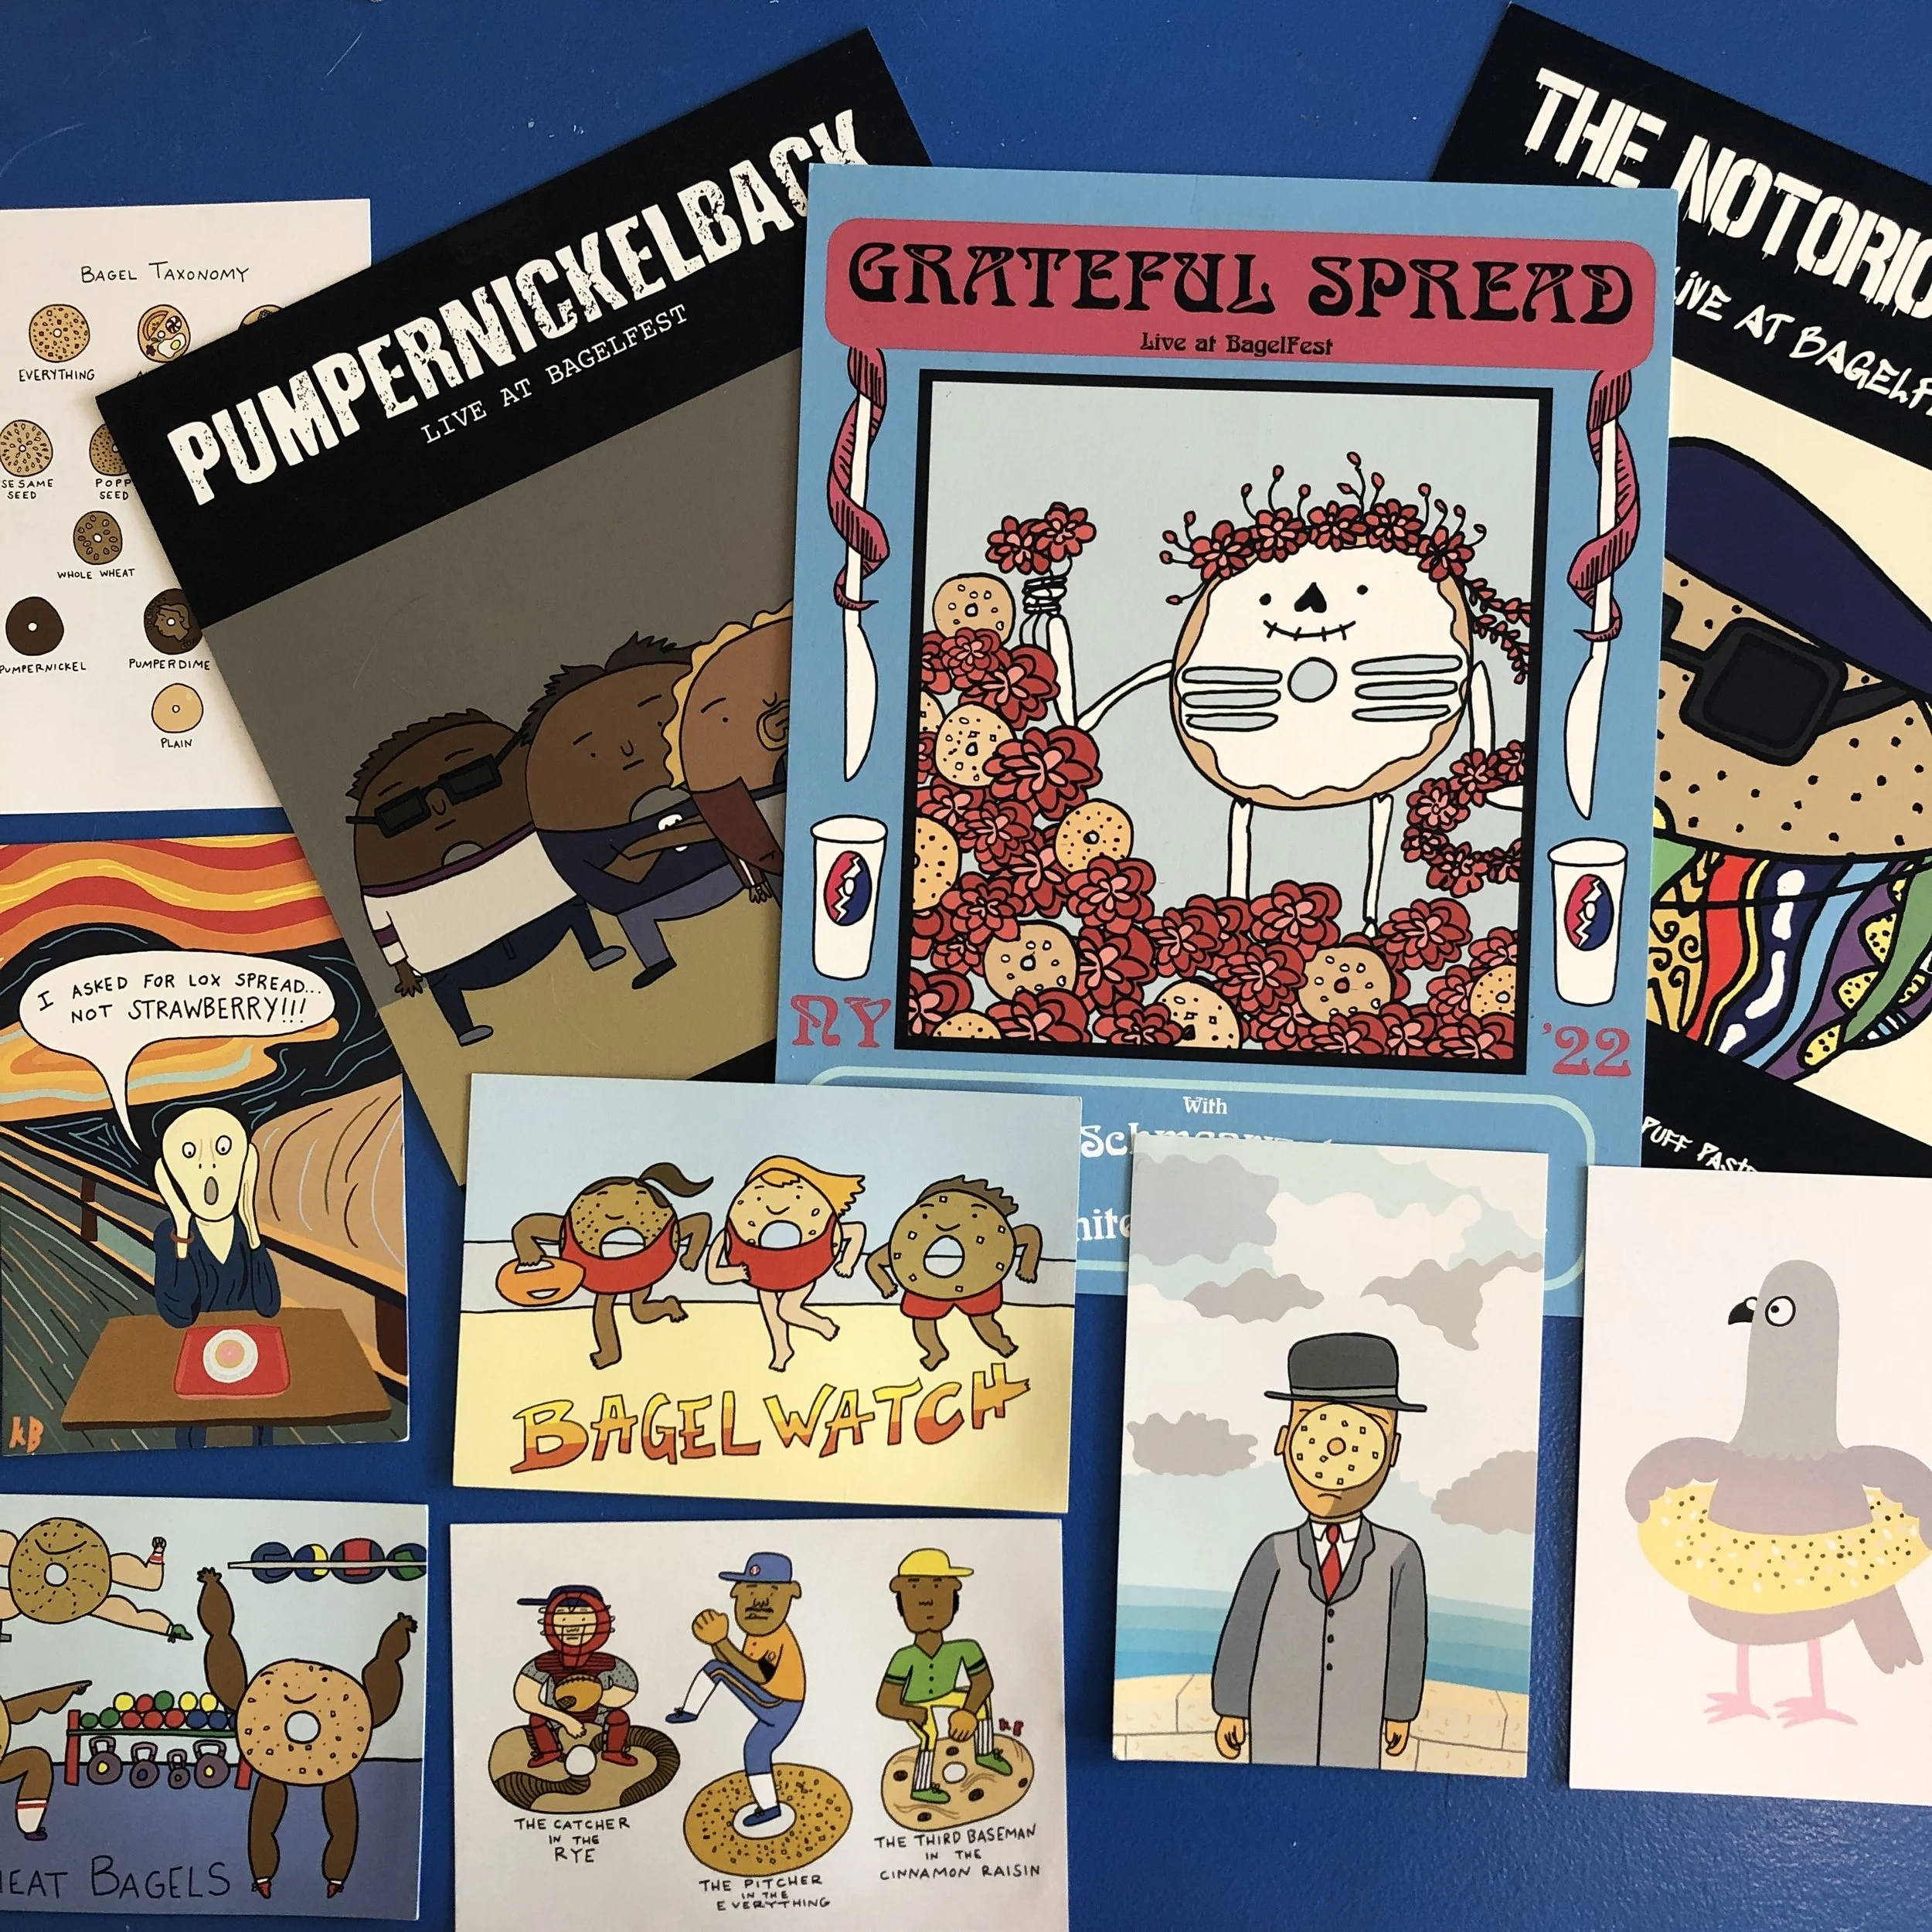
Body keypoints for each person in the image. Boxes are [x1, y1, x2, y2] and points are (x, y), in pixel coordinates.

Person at [1210, 1332, 1428, 1770]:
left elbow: (1408, 1638)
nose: (1336, 1451)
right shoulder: (1273, 1553)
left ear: (1392, 1450)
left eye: (1362, 1436)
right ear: (1285, 1441)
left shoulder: (1400, 1555)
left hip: (1357, 1717)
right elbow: (1243, 1630)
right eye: (1316, 1430)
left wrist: (1400, 1711)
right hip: (1277, 1714)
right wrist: (1231, 1706)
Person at [347, 709, 624, 1046]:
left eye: (471, 779)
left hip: (547, 918)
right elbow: (382, 924)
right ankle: (464, 1030)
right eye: (402, 813)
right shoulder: (385, 880)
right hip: (455, 961)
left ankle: (594, 950)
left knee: (572, 908)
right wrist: (401, 968)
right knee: (445, 983)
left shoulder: (535, 819)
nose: (440, 807)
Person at [523, 635, 771, 993]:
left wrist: (653, 843)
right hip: (650, 896)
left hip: (728, 871)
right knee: (633, 912)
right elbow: (620, 874)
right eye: (593, 752)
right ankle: (656, 959)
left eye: (655, 725)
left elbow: (735, 821)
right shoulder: (574, 827)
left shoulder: (718, 777)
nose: (628, 749)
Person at [665, 1552, 805, 1828]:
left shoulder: (774, 1636)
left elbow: (758, 1673)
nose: (759, 1602)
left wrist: (721, 1641)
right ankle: (770, 1808)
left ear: (790, 1595)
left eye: (771, 1593)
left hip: (778, 1704)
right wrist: (715, 1642)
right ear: (737, 1593)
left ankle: (690, 1712)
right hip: (774, 1701)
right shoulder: (757, 1633)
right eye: (750, 1591)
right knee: (755, 1749)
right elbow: (737, 1665)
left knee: (715, 1669)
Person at [876, 1546, 1009, 1806]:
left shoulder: (965, 1648)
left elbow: (983, 1683)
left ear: (953, 1597)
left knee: (981, 1701)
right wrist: (914, 1713)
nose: (927, 1602)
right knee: (930, 1735)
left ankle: (985, 1751)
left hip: (947, 1694)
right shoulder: (904, 1658)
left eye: (938, 1588)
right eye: (915, 1591)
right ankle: (921, 1787)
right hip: (915, 1702)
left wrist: (968, 1712)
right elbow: (886, 1702)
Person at [706, 1160, 864, 1372]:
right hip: (761, 1273)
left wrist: (848, 1262)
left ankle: (823, 1325)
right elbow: (713, 1274)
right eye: (760, 1195)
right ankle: (782, 1349)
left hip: (801, 1271)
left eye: (796, 1195)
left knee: (787, 1309)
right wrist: (735, 1273)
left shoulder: (826, 1223)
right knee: (770, 1306)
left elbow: (856, 1231)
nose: (775, 1205)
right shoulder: (732, 1232)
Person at [151, 1105, 280, 1326]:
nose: (209, 1163)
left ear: (246, 1163)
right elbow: (179, 1316)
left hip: (247, 1339)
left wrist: (250, 1222)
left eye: (223, 1148)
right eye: (189, 1152)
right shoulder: (169, 1234)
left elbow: (269, 1306)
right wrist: (182, 1229)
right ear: (169, 1174)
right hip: (201, 1339)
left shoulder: (244, 1231)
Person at [512, 1585, 641, 1769]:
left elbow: (628, 1688)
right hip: (556, 1717)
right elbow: (525, 1698)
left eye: (583, 1617)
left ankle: (613, 1752)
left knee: (619, 1718)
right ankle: (549, 1751)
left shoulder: (607, 1663)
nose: (572, 1626)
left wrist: (593, 1695)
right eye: (563, 1617)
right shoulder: (544, 1663)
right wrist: (566, 1720)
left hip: (599, 1716)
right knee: (537, 1720)